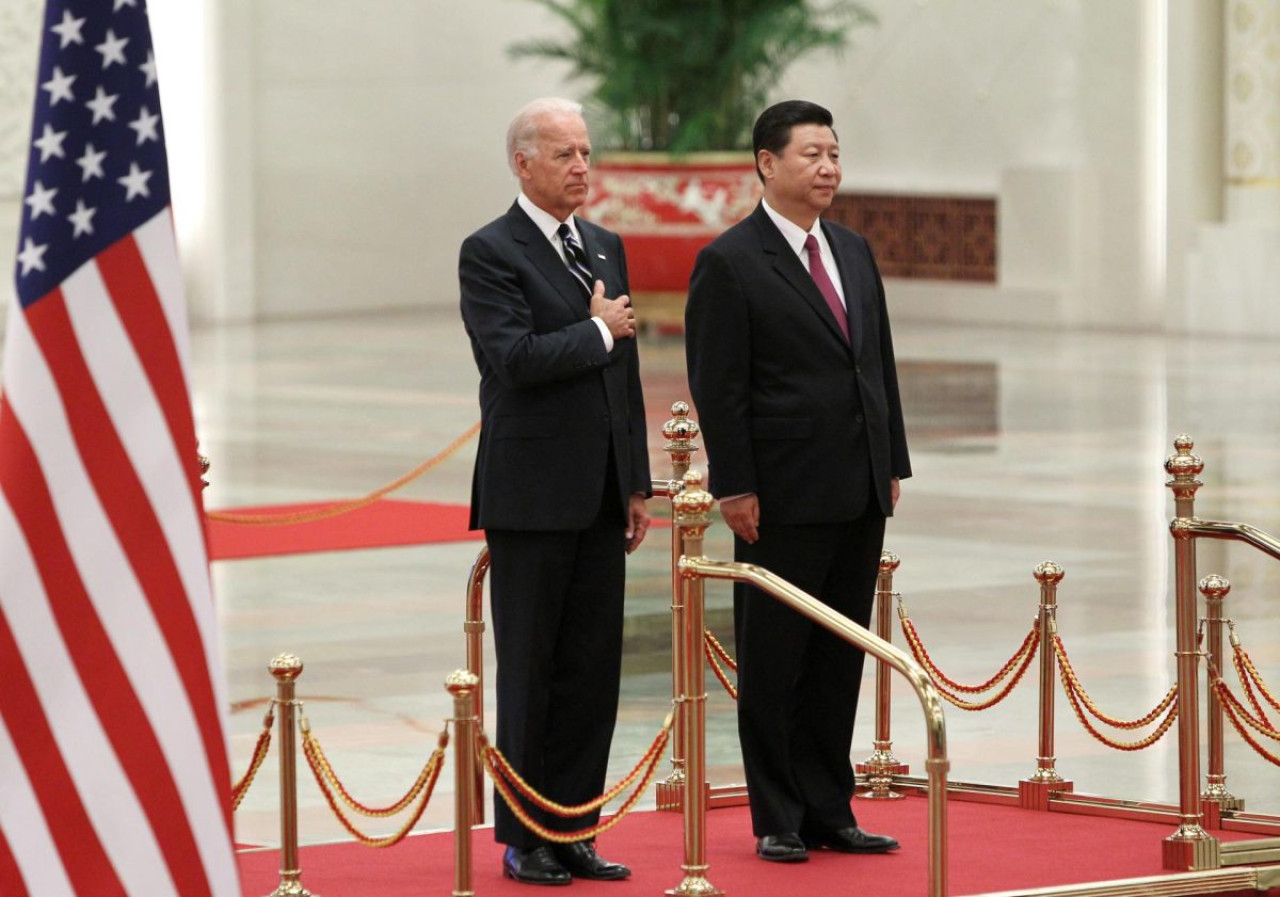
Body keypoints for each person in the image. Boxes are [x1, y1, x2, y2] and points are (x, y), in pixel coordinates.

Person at [684, 99, 911, 863]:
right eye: (812, 154)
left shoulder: (852, 249)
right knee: (776, 656)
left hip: (857, 484)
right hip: (780, 492)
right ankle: (776, 813)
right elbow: (721, 385)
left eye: (835, 155)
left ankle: (828, 807)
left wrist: (892, 462)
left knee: (837, 654)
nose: (828, 168)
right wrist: (735, 484)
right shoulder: (731, 261)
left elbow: (874, 364)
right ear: (766, 163)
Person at [459, 97, 651, 886]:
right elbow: (515, 358)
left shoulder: (602, 244)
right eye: (565, 154)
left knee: (590, 670)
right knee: (531, 670)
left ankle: (574, 826)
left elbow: (626, 373)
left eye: (586, 152)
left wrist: (635, 481)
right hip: (531, 494)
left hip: (602, 494)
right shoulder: (490, 251)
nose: (581, 167)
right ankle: (523, 835)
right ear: (522, 162)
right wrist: (598, 329)